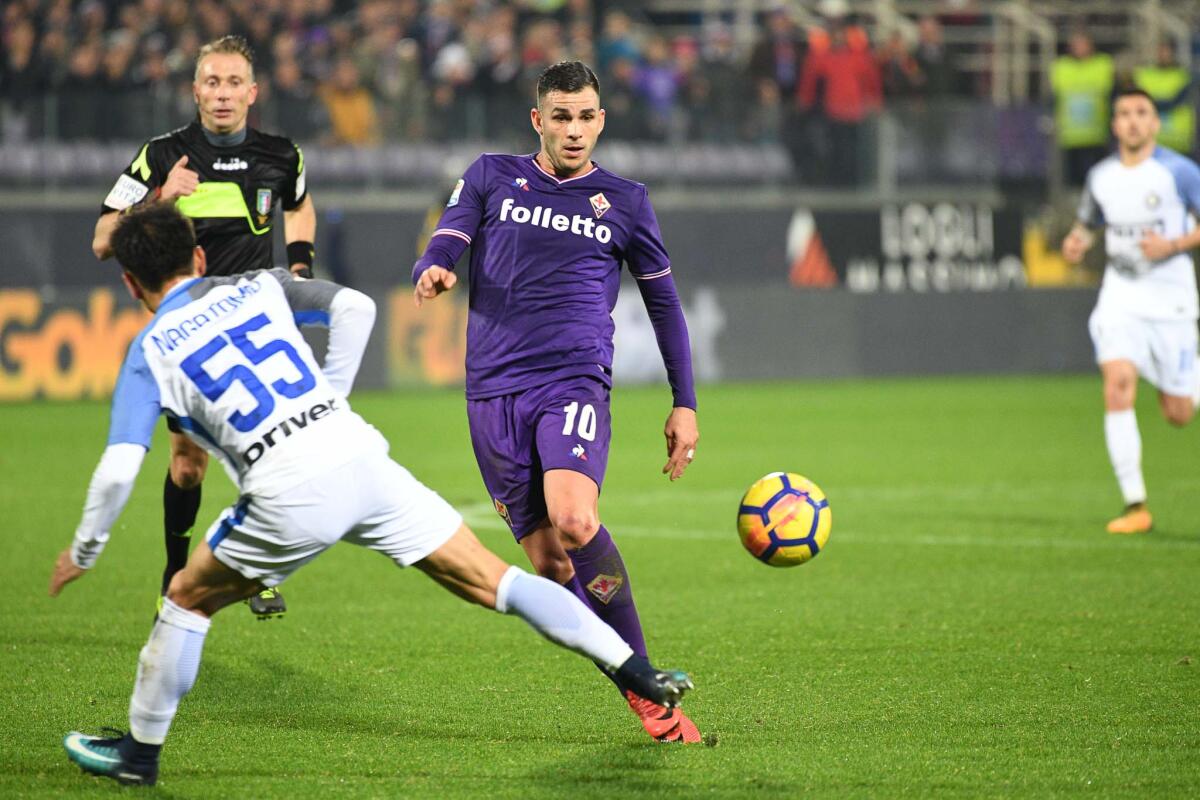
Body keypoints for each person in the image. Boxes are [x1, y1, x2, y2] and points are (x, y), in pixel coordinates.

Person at [50, 203, 694, 787]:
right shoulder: (257, 285)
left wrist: (85, 549)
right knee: (500, 583)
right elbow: (355, 307)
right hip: (361, 460)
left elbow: (118, 468)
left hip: (285, 493)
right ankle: (639, 672)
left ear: (131, 284)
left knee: (187, 600)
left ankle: (139, 753)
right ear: (197, 257)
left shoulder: (146, 351)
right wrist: (330, 397)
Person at [411, 61, 702, 743]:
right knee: (549, 564)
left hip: (572, 381)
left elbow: (664, 304)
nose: (575, 130)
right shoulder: (490, 175)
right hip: (491, 391)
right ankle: (634, 679)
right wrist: (436, 264)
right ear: (538, 120)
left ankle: (647, 687)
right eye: (562, 117)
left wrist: (683, 401)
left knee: (575, 520)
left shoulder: (625, 200)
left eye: (588, 117)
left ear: (602, 119)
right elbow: (451, 231)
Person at [92, 35, 318, 620]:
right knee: (188, 462)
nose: (222, 93)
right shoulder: (161, 156)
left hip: (252, 327)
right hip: (187, 331)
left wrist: (300, 264)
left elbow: (298, 204)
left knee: (269, 453)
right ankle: (175, 569)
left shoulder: (281, 155)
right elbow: (101, 239)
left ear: (252, 91)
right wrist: (160, 200)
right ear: (195, 91)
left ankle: (258, 569)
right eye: (211, 83)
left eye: (232, 82)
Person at [1061, 88, 1200, 534]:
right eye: (1125, 114)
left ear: (1155, 124)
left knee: (1178, 413)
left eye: (1142, 113)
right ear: (1115, 125)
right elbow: (1090, 220)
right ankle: (1135, 505)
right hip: (1120, 296)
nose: (1134, 121)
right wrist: (1078, 240)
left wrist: (1172, 244)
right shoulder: (1101, 175)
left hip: (1171, 297)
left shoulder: (1178, 171)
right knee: (1117, 383)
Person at [1051, 30, 1115, 187]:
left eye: (1083, 44)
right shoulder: (1061, 67)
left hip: (1097, 132)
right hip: (1071, 134)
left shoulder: (1103, 64)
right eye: (1076, 45)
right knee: (1074, 177)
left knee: (1099, 175)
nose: (1080, 48)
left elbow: (1110, 92)